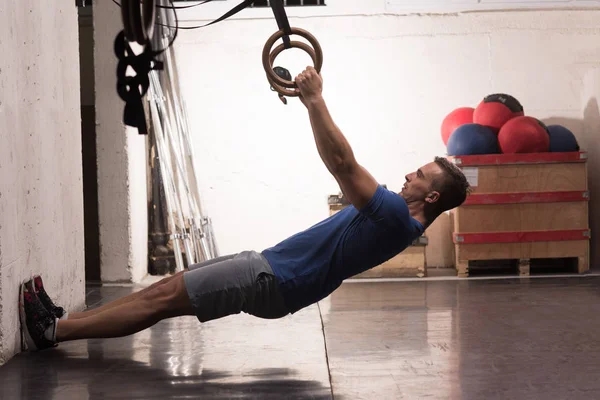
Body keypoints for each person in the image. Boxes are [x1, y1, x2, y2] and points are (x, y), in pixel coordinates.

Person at [20, 67, 470, 351]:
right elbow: (347, 169)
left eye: (420, 175)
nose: (410, 175)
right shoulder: (396, 216)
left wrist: (313, 100)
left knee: (159, 300)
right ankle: (64, 323)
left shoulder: (396, 217)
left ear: (431, 197)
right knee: (166, 289)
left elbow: (342, 164)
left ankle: (53, 332)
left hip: (273, 279)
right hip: (271, 269)